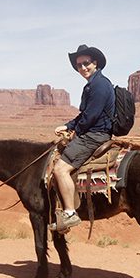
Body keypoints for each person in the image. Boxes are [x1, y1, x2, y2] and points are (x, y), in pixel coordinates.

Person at [52, 44, 115, 231]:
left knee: (60, 169)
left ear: (95, 63)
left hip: (95, 136)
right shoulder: (93, 84)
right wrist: (68, 126)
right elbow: (85, 114)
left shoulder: (99, 85)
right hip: (92, 132)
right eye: (79, 65)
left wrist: (75, 131)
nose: (83, 68)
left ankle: (70, 213)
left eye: (86, 63)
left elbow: (91, 116)